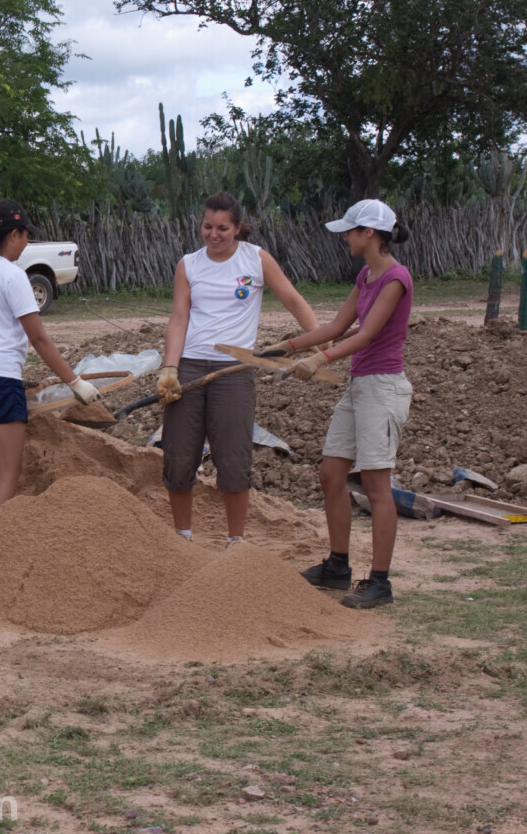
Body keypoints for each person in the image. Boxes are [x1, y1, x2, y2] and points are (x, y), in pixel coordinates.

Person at [158, 192, 318, 546]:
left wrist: (319, 339)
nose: (213, 235)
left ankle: (236, 542)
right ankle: (182, 535)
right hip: (190, 367)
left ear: (237, 228)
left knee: (233, 456)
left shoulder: (256, 260)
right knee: (179, 454)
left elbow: (292, 298)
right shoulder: (189, 265)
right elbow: (179, 317)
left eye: (222, 228)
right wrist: (170, 366)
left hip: (234, 371)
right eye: (207, 227)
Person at [275, 200, 413, 609]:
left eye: (350, 232)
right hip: (359, 387)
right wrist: (289, 346)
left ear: (368, 233)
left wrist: (321, 358)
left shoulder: (395, 278)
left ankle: (380, 583)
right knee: (331, 474)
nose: (345, 238)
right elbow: (337, 326)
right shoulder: (366, 275)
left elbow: (367, 334)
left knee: (375, 485)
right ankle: (337, 567)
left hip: (382, 387)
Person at [0, 199, 99, 519]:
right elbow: (39, 338)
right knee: (9, 471)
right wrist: (75, 381)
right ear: (12, 234)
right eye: (25, 236)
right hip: (0, 378)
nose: (27, 243)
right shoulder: (13, 276)